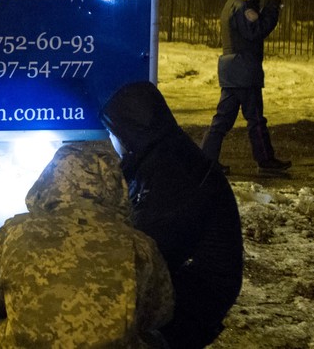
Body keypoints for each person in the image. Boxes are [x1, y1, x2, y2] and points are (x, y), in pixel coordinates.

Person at [0, 142, 174, 348]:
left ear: (49, 181)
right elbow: (159, 312)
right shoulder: (137, 243)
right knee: (152, 338)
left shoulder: (15, 232)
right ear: (114, 187)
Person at [100, 81, 244, 348]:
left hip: (197, 293)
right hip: (186, 279)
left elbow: (151, 251)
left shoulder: (175, 172)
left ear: (131, 130)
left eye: (113, 131)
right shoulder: (159, 154)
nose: (111, 140)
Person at [200, 0, 290, 175]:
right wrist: (271, 9)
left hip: (231, 70)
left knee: (222, 119)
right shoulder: (243, 7)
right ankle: (265, 160)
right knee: (256, 118)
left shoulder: (230, 5)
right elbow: (256, 32)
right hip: (245, 70)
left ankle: (207, 159)